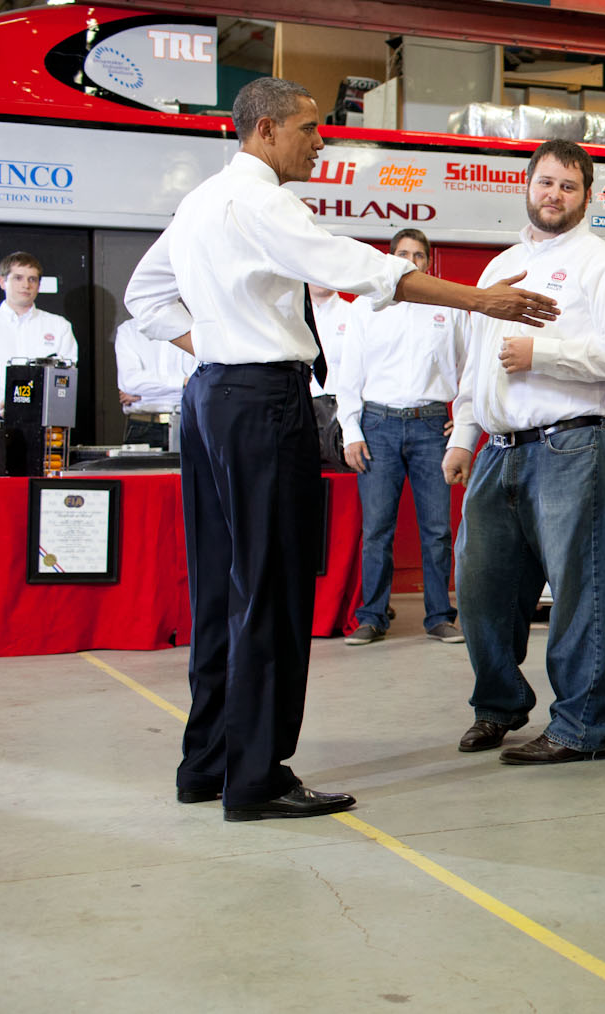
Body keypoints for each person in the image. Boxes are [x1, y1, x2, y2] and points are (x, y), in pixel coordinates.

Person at [125, 76, 558, 822]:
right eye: (308, 128)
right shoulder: (262, 201)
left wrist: (218, 347)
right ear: (264, 131)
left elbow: (145, 296)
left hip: (214, 398)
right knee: (275, 590)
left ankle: (209, 763)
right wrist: (481, 299)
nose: (319, 141)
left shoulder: (199, 203)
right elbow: (354, 267)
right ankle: (258, 776)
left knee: (224, 590)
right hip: (262, 403)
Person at [443, 139, 605, 766]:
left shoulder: (602, 265)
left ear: (586, 196)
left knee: (579, 589)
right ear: (526, 188)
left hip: (574, 445)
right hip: (498, 450)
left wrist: (545, 354)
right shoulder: (498, 267)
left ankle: (582, 727)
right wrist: (462, 436)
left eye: (567, 185)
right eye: (545, 183)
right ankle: (500, 704)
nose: (554, 194)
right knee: (480, 588)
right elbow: (477, 364)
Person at [337, 228, 465, 646]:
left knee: (438, 530)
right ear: (391, 259)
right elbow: (348, 375)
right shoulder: (365, 308)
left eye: (420, 255)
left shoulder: (448, 307)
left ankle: (439, 617)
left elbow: (473, 366)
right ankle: (372, 617)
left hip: (431, 426)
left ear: (429, 262)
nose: (412, 261)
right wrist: (350, 430)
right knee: (377, 530)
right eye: (404, 254)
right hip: (377, 426)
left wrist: (463, 420)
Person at [0, 251, 78, 416]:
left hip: (44, 416)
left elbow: (65, 374)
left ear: (38, 285)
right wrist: (6, 402)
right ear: (2, 282)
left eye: (32, 279)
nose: (26, 285)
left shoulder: (59, 326)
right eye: (18, 278)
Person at [114, 316, 196, 449]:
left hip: (187, 422)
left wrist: (144, 397)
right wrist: (182, 383)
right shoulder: (128, 330)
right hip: (143, 425)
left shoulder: (193, 327)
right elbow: (130, 383)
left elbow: (197, 384)